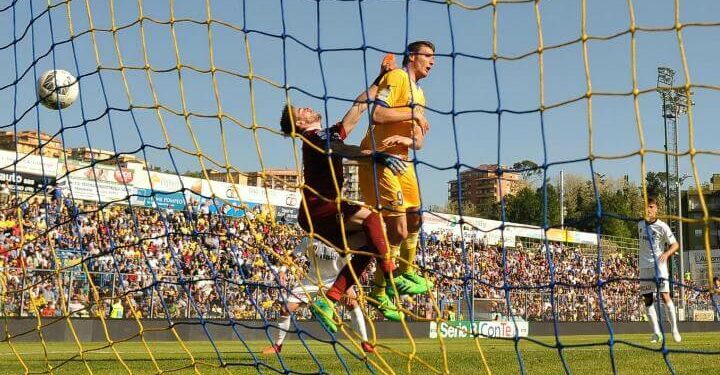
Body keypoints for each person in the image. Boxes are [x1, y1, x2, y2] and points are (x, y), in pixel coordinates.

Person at [279, 56, 415, 331]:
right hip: (320, 209)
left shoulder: (328, 134)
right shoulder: (314, 139)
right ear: (300, 125)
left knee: (372, 241)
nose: (305, 108)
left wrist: (380, 79)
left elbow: (359, 108)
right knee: (373, 218)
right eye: (299, 113)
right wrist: (377, 157)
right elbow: (341, 151)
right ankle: (389, 280)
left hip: (318, 214)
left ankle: (333, 295)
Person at [358, 41, 435, 304]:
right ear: (412, 56)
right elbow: (377, 115)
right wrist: (412, 112)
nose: (432, 62)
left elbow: (419, 139)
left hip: (403, 159)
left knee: (416, 220)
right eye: (428, 56)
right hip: (380, 158)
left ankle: (405, 273)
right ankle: (382, 289)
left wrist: (408, 142)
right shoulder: (396, 77)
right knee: (399, 229)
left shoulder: (421, 94)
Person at [262, 239, 374, 354]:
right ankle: (277, 346)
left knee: (353, 304)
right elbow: (293, 255)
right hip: (312, 280)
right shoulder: (310, 238)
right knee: (285, 309)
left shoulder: (342, 240)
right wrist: (283, 270)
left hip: (336, 280)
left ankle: (365, 343)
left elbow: (349, 267)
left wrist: (349, 285)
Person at [638, 196, 681, 343]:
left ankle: (674, 328)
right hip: (644, 267)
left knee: (664, 296)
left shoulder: (663, 226)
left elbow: (675, 245)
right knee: (648, 299)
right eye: (647, 207)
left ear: (656, 209)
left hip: (659, 266)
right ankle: (656, 333)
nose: (648, 209)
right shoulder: (639, 224)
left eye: (651, 207)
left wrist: (667, 253)